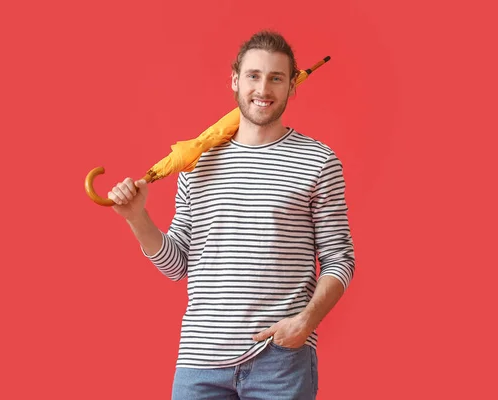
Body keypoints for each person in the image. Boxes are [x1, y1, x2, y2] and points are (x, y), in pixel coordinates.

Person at [107, 30, 356, 400]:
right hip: (200, 360)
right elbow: (178, 264)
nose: (264, 88)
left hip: (280, 360)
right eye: (254, 75)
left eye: (276, 78)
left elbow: (340, 259)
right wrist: (136, 217)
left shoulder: (318, 161)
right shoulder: (196, 163)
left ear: (292, 87)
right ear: (236, 81)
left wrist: (306, 323)